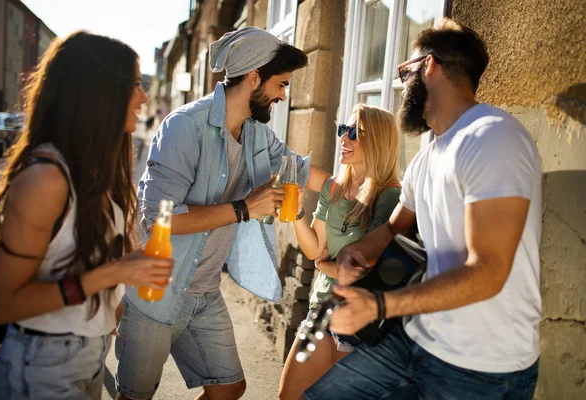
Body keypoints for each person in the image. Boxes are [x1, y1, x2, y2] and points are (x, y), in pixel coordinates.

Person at [304, 18, 542, 400]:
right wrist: (354, 253)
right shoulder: (426, 159)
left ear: (428, 66)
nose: (400, 85)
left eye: (404, 71)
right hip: (414, 337)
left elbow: (489, 272)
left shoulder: (493, 138)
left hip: (481, 365)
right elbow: (390, 231)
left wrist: (378, 304)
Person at [115, 27, 330, 400]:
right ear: (254, 77)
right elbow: (159, 219)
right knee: (134, 397)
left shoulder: (258, 135)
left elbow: (302, 171)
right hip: (157, 288)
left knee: (229, 389)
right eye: (281, 84)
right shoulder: (184, 127)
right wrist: (244, 208)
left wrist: (358, 188)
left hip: (204, 291)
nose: (283, 95)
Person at [0, 31, 174, 400]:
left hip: (89, 356)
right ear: (98, 94)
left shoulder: (97, 171)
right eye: (134, 84)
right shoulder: (46, 178)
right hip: (41, 366)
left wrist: (128, 270)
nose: (144, 97)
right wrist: (113, 273)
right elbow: (1, 304)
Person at [279, 104, 401, 400]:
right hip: (321, 310)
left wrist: (326, 266)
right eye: (342, 130)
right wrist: (297, 215)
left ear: (377, 142)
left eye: (353, 133)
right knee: (288, 394)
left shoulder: (390, 195)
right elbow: (315, 251)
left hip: (357, 319)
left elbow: (362, 271)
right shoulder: (333, 187)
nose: (343, 139)